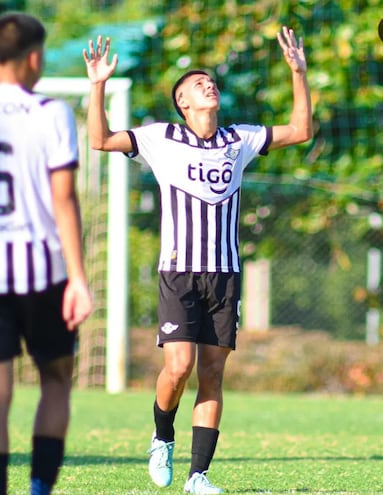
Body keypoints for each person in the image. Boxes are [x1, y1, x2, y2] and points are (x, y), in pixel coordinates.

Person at [83, 25, 312, 495]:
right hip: (178, 272)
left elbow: (301, 130)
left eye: (212, 81)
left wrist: (298, 73)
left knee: (212, 373)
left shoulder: (239, 139)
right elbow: (101, 141)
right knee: (179, 366)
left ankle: (198, 476)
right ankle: (161, 434)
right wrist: (98, 84)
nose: (210, 85)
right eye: (197, 83)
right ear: (183, 102)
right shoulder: (161, 137)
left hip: (224, 274)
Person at [0, 12, 93, 495]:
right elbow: (63, 197)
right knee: (55, 380)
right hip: (42, 269)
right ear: (34, 56)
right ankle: (39, 490)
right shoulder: (52, 111)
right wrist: (77, 277)